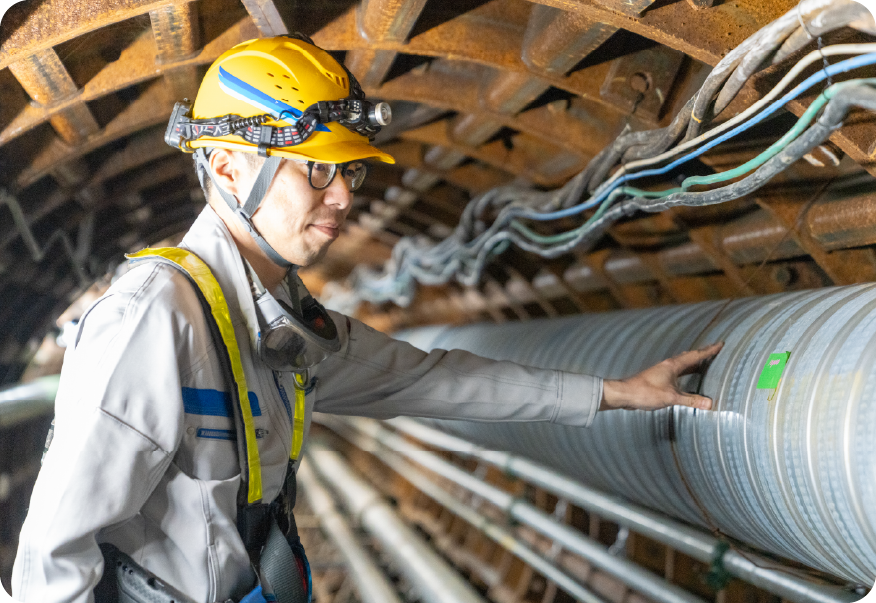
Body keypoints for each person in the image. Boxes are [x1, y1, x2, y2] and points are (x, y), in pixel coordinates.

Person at [11, 34, 722, 603]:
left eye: (349, 172)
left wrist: (612, 393)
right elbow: (52, 560)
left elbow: (435, 380)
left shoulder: (280, 322)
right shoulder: (154, 319)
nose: (344, 197)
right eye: (317, 169)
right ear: (227, 168)